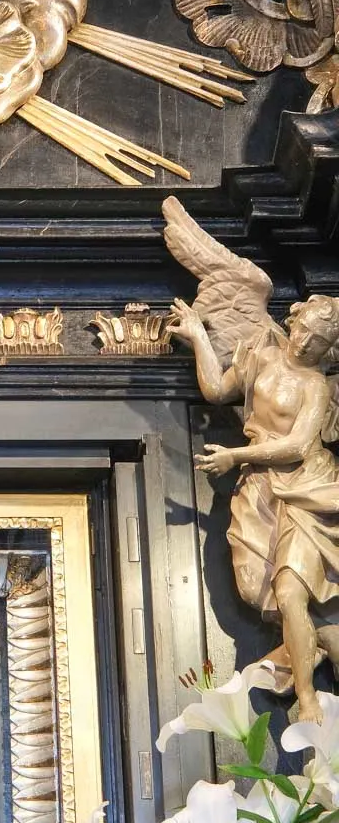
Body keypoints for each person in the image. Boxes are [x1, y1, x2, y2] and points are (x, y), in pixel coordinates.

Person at [172, 293, 339, 722]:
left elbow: (300, 445)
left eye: (318, 341)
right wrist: (197, 337)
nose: (304, 344)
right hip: (260, 488)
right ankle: (326, 642)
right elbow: (214, 390)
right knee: (253, 588)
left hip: (305, 489)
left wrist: (234, 456)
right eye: (303, 330)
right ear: (294, 320)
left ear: (329, 347)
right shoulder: (262, 353)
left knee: (289, 593)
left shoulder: (315, 385)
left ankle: (308, 702)